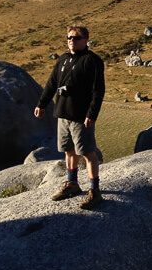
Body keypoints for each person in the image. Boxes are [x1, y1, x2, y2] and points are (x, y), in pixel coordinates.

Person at [35, 25, 106, 210]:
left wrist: (92, 114)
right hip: (63, 113)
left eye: (75, 38)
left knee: (88, 153)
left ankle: (94, 191)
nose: (71, 41)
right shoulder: (63, 59)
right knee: (68, 151)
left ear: (85, 40)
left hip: (81, 116)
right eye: (69, 37)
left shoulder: (92, 61)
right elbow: (52, 83)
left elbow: (98, 91)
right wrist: (41, 104)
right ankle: (72, 184)